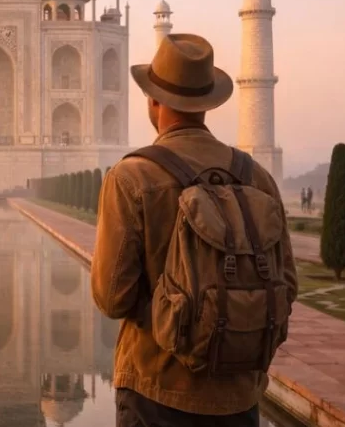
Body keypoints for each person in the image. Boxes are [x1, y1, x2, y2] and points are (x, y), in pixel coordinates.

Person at [92, 34, 298, 427]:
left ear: (153, 100)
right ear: (207, 102)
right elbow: (286, 284)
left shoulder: (132, 177)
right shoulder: (256, 177)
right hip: (237, 396)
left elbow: (112, 298)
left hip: (156, 389)